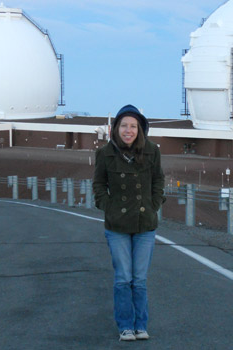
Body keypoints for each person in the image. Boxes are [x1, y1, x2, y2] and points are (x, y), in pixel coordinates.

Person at [93, 104, 166, 341]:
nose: (128, 130)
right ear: (116, 129)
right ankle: (125, 326)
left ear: (140, 129)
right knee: (123, 278)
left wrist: (154, 204)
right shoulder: (105, 154)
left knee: (139, 280)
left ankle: (140, 325)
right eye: (124, 125)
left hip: (145, 223)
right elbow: (99, 185)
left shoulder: (152, 151)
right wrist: (109, 206)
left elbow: (158, 181)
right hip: (117, 225)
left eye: (133, 126)